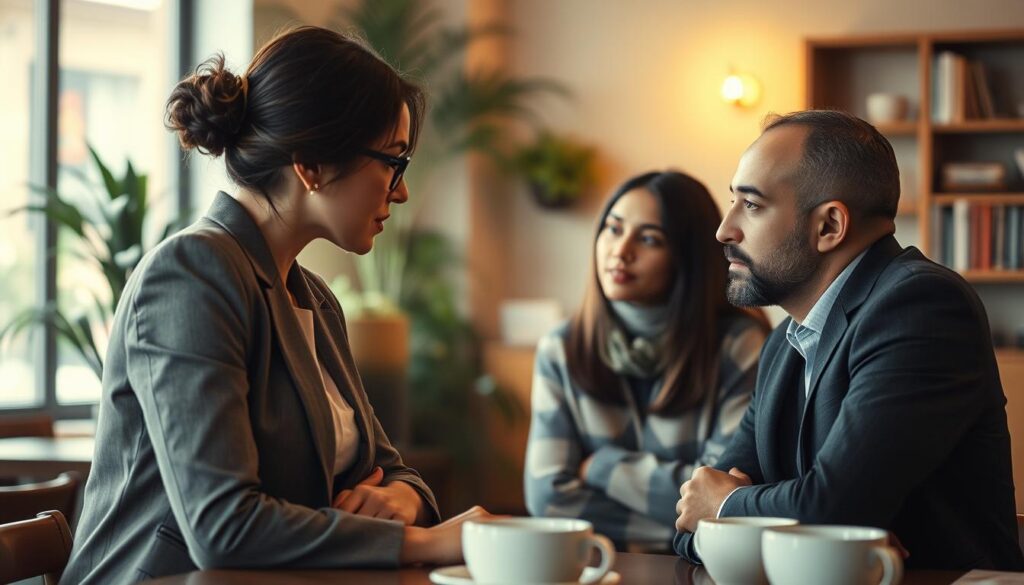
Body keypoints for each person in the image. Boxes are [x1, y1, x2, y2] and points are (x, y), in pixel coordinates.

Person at [61, 26, 488, 584]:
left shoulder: (315, 299)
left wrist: (405, 502)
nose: (400, 190)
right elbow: (222, 527)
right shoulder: (190, 273)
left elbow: (392, 471)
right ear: (309, 163)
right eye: (392, 161)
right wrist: (422, 541)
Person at [673, 110, 1024, 571]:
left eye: (752, 205)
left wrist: (733, 507)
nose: (725, 230)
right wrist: (774, 519)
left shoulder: (922, 306)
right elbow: (689, 523)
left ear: (829, 227)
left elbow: (833, 510)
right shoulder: (785, 344)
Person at [525, 171, 768, 552]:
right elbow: (548, 499)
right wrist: (688, 531)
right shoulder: (562, 347)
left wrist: (603, 466)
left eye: (649, 238)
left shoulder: (739, 345)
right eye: (613, 228)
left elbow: (722, 495)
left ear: (686, 256)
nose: (620, 251)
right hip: (599, 572)